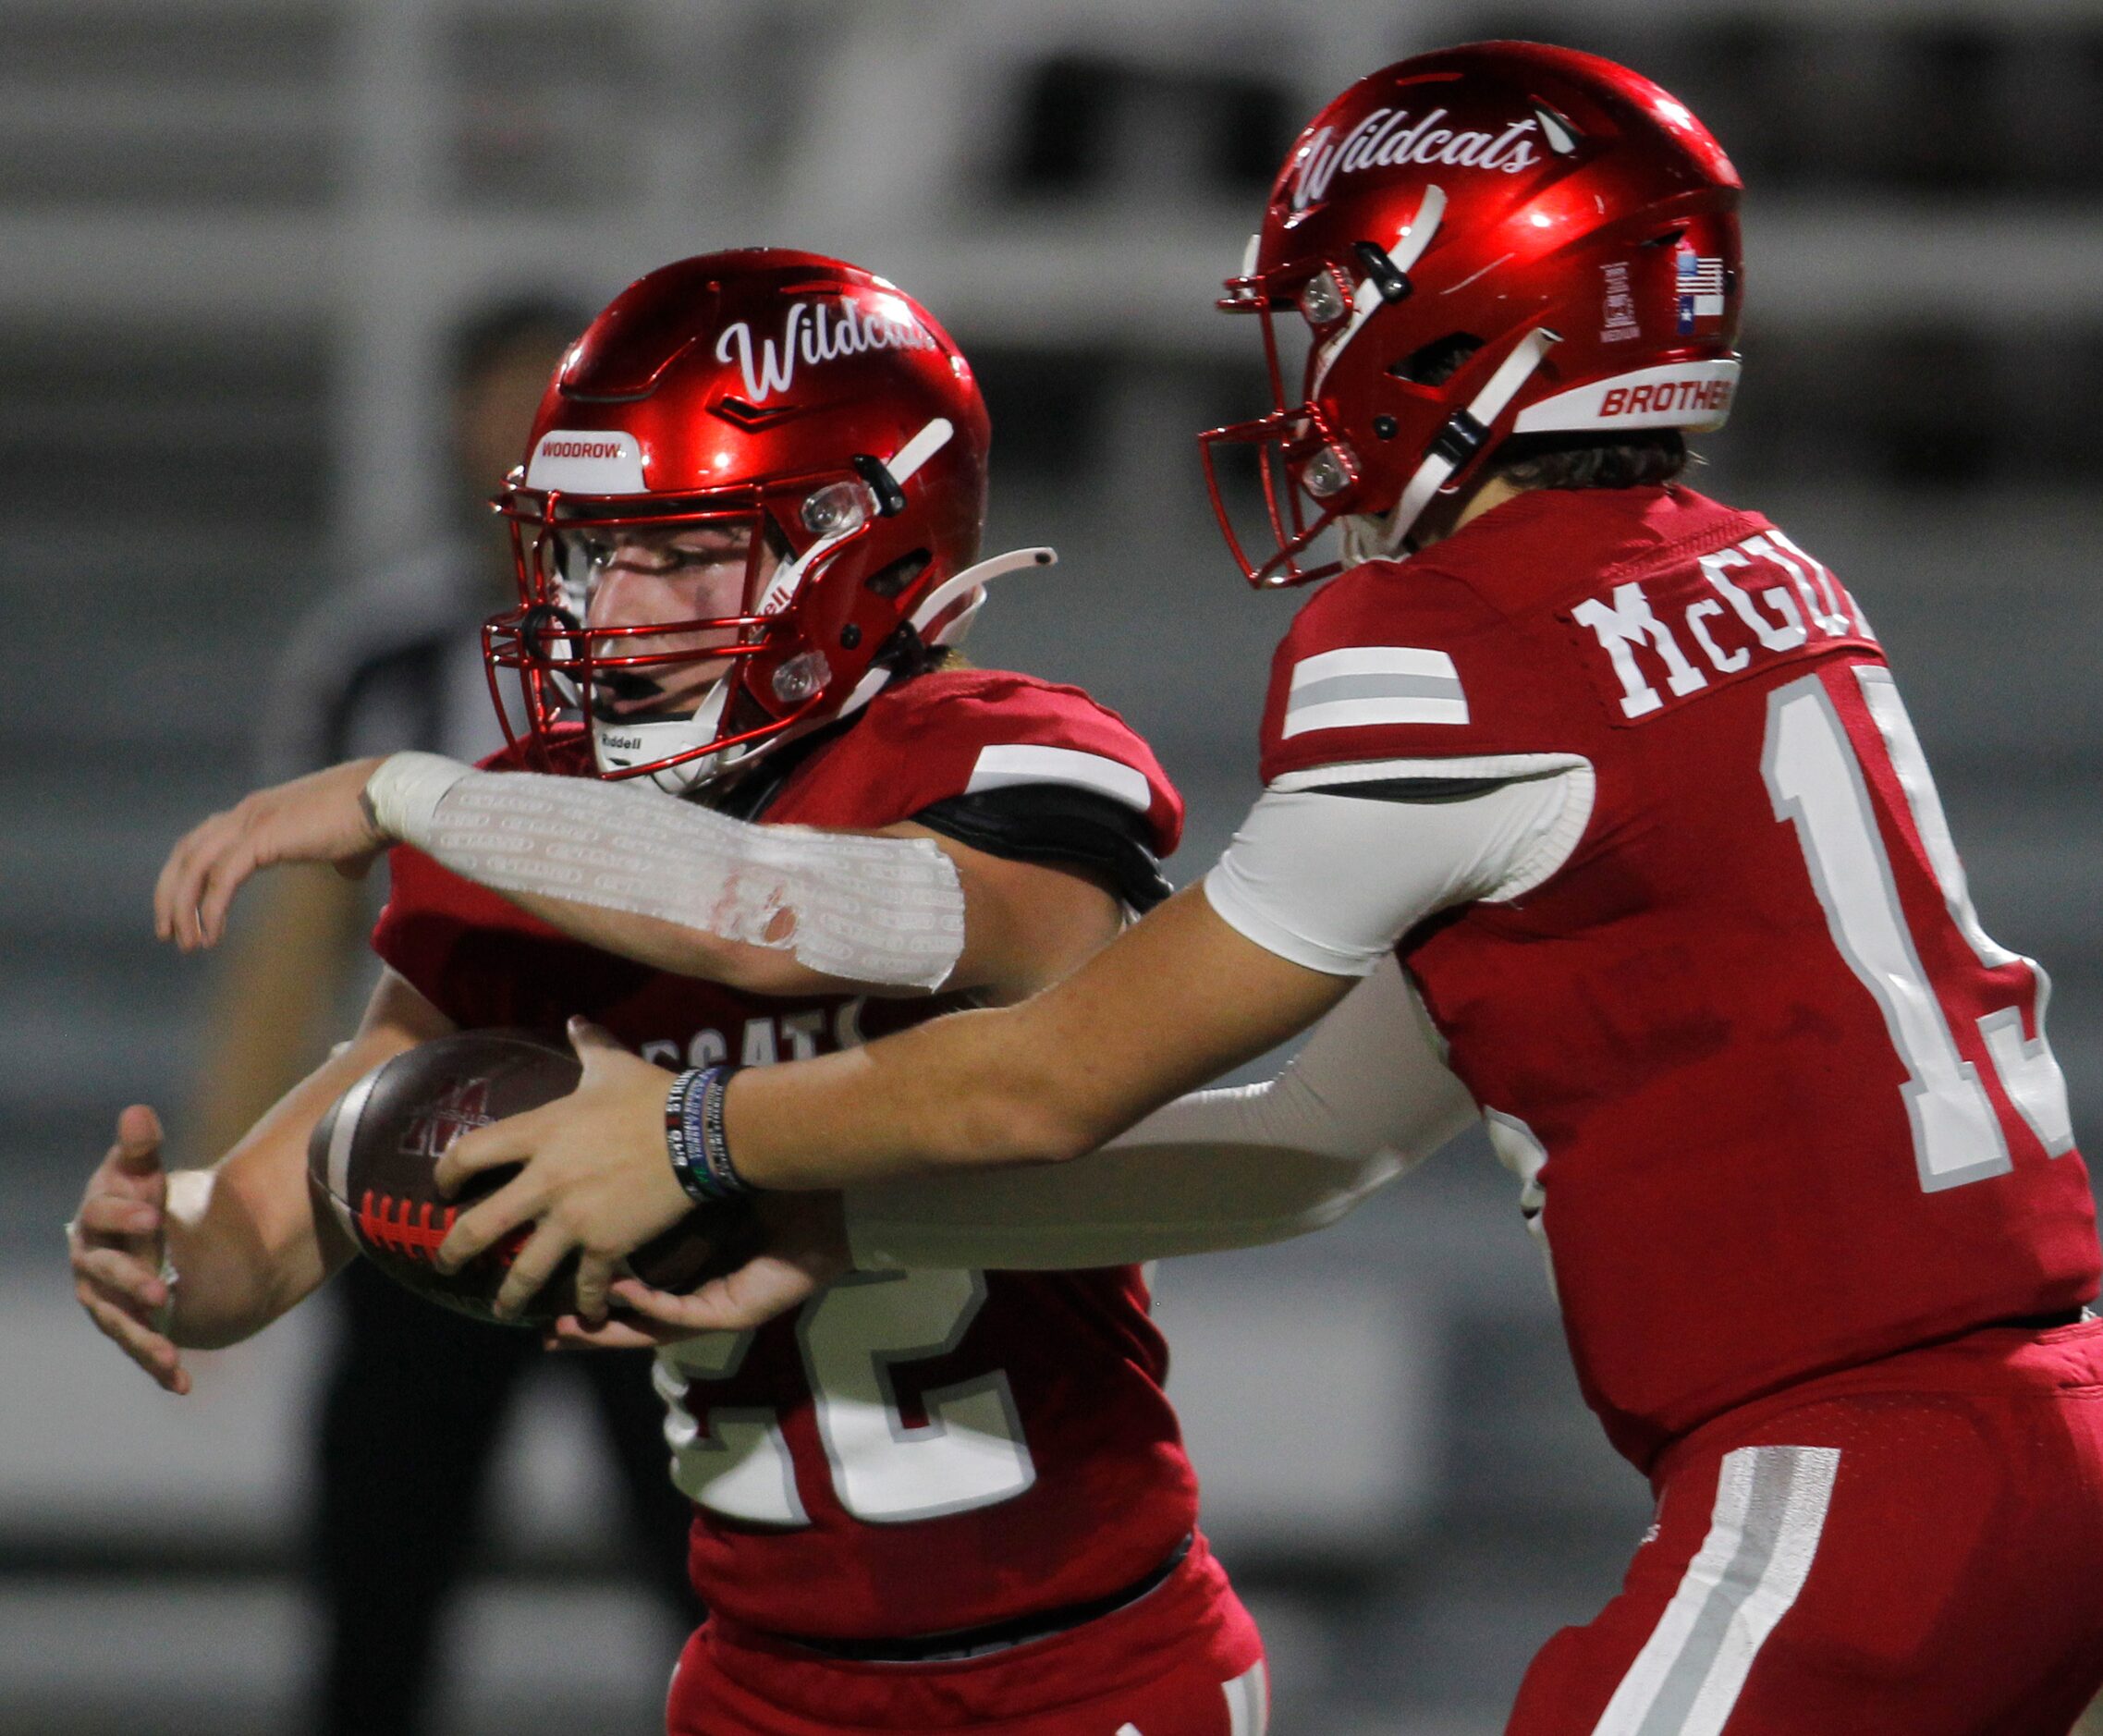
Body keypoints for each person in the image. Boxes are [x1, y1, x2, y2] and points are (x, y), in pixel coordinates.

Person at [201, 45, 2103, 1735]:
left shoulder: (1445, 646)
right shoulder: (1757, 578)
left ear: (1474, 319)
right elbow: (1316, 1143)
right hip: (2033, 1422)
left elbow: (1053, 1074)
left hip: (1857, 1467)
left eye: (1344, 301)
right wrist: (847, 1224)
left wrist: (696, 1129)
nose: (1308, 357)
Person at [77, 249, 1272, 1735]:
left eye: (682, 547)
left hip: (1074, 1658)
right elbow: (287, 1200)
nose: (613, 608)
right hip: (757, 1676)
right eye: (592, 551)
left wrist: (414, 794)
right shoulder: (536, 824)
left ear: (859, 543)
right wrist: (167, 1246)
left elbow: (787, 920)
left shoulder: (1005, 756)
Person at [187, 293, 701, 1736]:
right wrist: (233, 1196)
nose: (533, 436)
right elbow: (289, 950)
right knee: (379, 1587)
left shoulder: (702, 640)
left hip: (637, 1175)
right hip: (421, 1175)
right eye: (505, 401)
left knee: (724, 1584)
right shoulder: (379, 652)